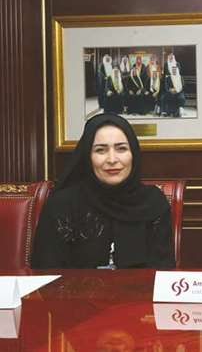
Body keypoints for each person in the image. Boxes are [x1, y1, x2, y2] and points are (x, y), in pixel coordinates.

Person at [31, 113, 175, 269]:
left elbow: (162, 274)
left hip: (141, 293)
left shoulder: (153, 202)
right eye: (100, 150)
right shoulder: (61, 204)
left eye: (121, 149)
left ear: (133, 153)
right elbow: (45, 274)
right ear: (87, 156)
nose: (112, 159)